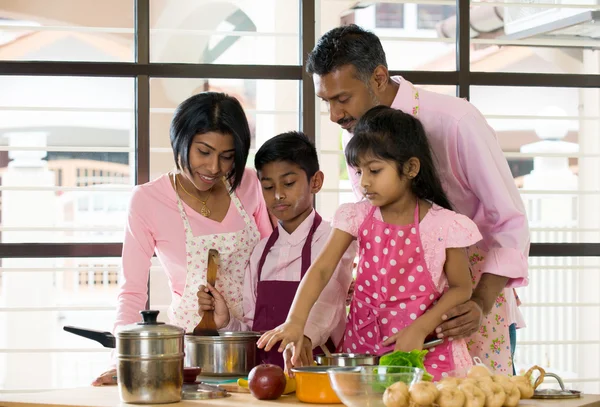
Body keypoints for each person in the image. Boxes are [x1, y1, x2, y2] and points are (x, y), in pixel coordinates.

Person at [301, 24, 530, 373]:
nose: (334, 115)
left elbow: (510, 223)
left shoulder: (456, 121)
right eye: (326, 101)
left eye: (342, 99)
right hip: (397, 324)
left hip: (471, 300)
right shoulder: (358, 139)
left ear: (378, 77)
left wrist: (480, 303)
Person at [258, 107, 483, 380]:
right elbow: (320, 271)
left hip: (427, 349)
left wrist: (421, 327)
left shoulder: (445, 225)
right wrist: (295, 321)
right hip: (365, 350)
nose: (364, 182)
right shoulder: (357, 216)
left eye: (374, 170)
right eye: (359, 171)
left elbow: (461, 288)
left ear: (411, 168)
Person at [92, 92, 272, 386]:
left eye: (227, 157)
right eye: (203, 152)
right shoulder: (148, 200)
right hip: (190, 357)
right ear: (180, 140)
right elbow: (133, 292)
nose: (214, 168)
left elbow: (274, 265)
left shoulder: (249, 184)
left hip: (255, 345)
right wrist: (121, 361)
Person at [197, 131, 356, 370]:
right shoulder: (260, 253)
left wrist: (304, 336)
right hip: (263, 376)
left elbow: (329, 304)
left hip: (314, 370)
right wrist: (226, 321)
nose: (278, 194)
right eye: (269, 186)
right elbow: (253, 330)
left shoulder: (333, 240)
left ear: (315, 181)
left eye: (289, 183)